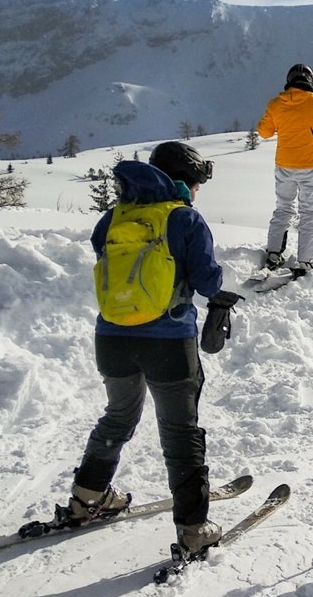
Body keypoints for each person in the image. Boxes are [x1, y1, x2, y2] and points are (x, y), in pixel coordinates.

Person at [70, 141, 227, 556]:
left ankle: (86, 498)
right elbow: (208, 281)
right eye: (197, 183)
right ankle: (194, 528)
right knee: (180, 432)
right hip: (169, 343)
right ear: (186, 181)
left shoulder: (114, 217)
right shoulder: (185, 218)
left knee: (118, 417)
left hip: (112, 338)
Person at [257, 63, 313, 275]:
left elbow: (264, 132)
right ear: (310, 81)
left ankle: (274, 253)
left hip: (284, 165)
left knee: (283, 208)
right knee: (309, 212)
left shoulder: (276, 104)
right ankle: (307, 259)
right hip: (310, 166)